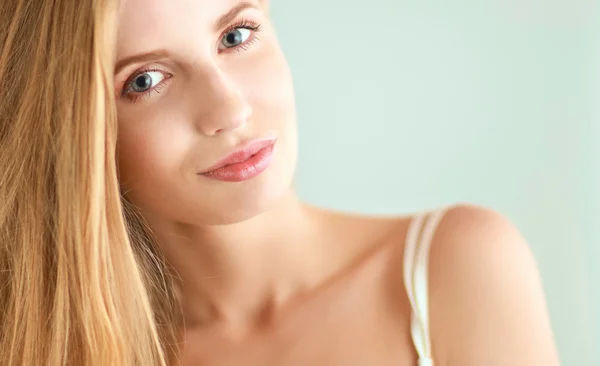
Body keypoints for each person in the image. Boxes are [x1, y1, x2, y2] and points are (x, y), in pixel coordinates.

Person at [0, 0, 561, 365]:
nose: (229, 107)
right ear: (73, 134)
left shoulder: (454, 266)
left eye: (236, 36)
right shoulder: (62, 347)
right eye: (146, 80)